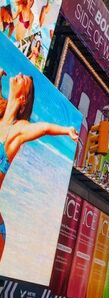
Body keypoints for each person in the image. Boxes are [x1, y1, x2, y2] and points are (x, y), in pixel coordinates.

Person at [0, 69, 79, 262]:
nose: (20, 74)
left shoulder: (18, 130)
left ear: (23, 98)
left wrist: (66, 130)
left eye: (25, 79)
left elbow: (43, 128)